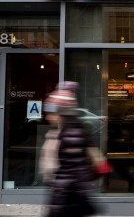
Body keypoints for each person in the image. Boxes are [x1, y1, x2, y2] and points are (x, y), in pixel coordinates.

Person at [42, 83, 97, 217]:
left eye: (51, 113)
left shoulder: (70, 133)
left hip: (67, 195)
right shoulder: (66, 130)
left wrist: (59, 189)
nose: (48, 117)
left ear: (61, 113)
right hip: (67, 193)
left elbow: (72, 169)